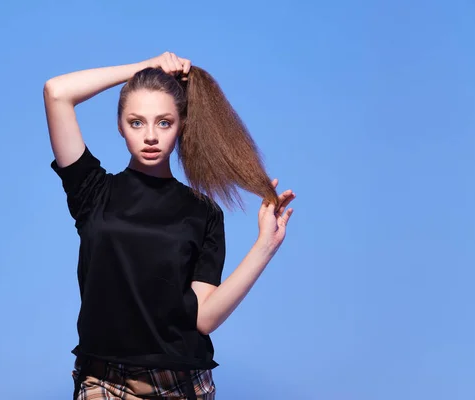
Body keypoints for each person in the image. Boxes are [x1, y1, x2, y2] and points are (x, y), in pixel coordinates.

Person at [44, 51, 295, 400]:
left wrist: (266, 245)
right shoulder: (92, 192)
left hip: (179, 382)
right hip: (102, 377)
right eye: (136, 122)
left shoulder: (203, 212)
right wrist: (141, 68)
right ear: (119, 125)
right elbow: (57, 92)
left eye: (164, 122)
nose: (150, 136)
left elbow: (204, 318)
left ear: (181, 125)